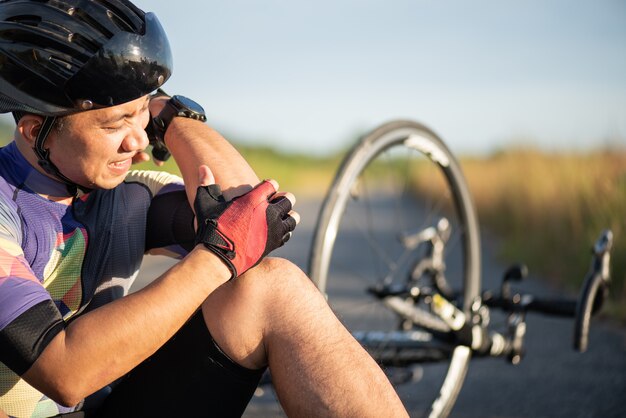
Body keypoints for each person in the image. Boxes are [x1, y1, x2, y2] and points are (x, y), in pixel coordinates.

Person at [0, 1, 408, 417]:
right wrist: (215, 257)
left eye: (142, 115)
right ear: (36, 131)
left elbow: (251, 212)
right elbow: (65, 372)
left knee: (273, 287)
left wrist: (170, 115)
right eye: (113, 124)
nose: (138, 143)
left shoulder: (125, 190)